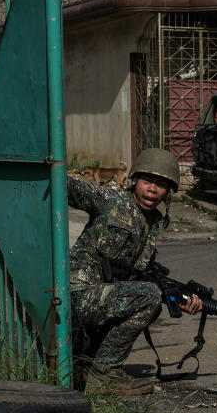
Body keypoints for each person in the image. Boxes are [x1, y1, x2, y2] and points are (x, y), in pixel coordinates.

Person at [67, 148, 202, 395]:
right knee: (147, 296)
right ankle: (104, 373)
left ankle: (90, 366)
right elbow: (70, 188)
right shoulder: (111, 200)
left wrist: (179, 298)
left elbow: (136, 275)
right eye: (148, 181)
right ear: (134, 180)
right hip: (77, 296)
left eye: (161, 185)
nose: (153, 189)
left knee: (151, 300)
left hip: (103, 298)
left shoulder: (154, 223)